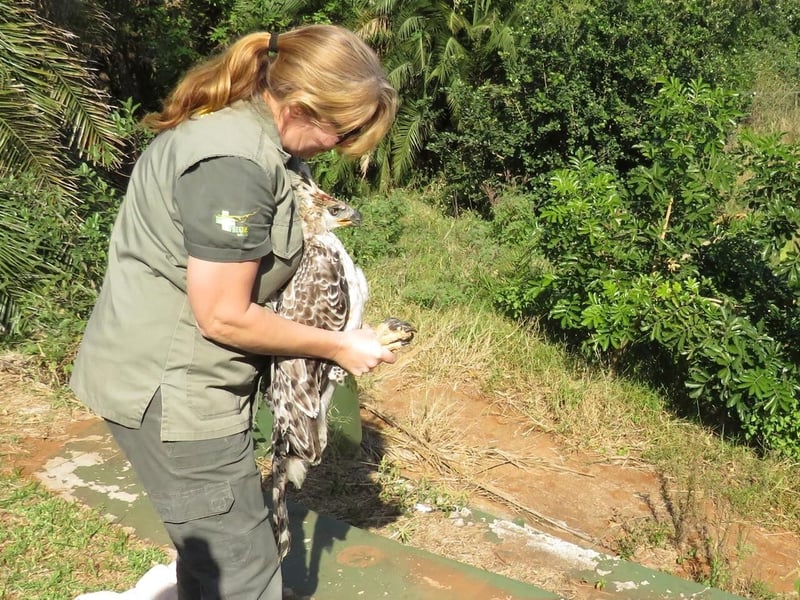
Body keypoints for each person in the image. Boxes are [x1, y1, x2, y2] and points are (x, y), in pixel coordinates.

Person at [69, 24, 398, 599]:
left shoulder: (259, 141)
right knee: (244, 572)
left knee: (211, 562)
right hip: (172, 396)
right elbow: (222, 315)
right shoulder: (234, 164)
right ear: (300, 107)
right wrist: (340, 348)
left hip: (180, 383)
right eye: (342, 132)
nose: (341, 149)